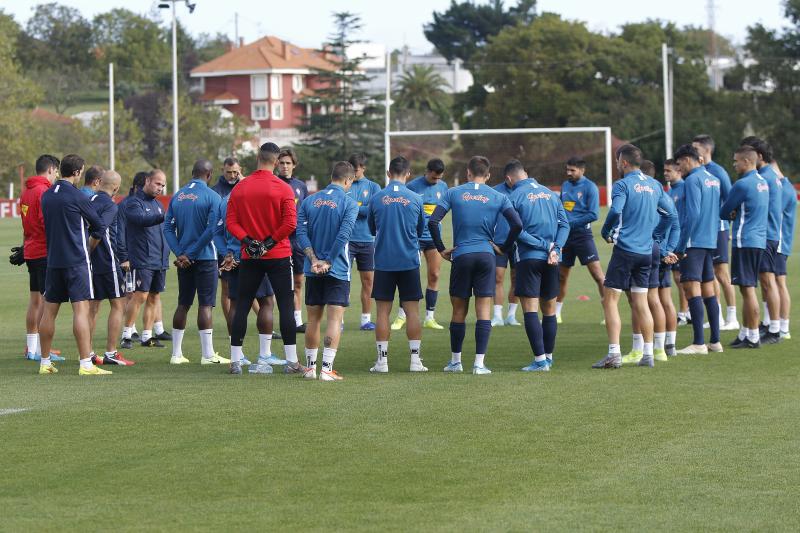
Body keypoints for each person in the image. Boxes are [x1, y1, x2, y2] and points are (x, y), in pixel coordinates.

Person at [428, 155, 523, 375]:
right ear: (488, 176)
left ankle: (455, 362)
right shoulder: (497, 196)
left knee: (459, 310)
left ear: (467, 173)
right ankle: (479, 364)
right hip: (486, 256)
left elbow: (432, 221)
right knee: (483, 310)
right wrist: (504, 248)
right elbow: (517, 224)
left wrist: (441, 249)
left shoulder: (453, 192)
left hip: (461, 255)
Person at [593, 144, 677, 369]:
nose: (617, 164)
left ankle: (614, 354)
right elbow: (670, 214)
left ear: (624, 163)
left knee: (609, 300)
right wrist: (656, 237)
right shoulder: (655, 185)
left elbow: (616, 210)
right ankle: (648, 354)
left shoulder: (622, 185)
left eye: (618, 160)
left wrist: (606, 231)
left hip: (626, 250)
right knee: (642, 302)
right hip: (646, 252)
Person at [226, 142, 300, 375]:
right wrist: (268, 243)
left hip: (250, 255)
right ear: (276, 161)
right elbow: (290, 223)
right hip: (278, 254)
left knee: (243, 304)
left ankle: (235, 361)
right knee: (286, 305)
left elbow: (231, 223)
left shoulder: (240, 187)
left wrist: (249, 242)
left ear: (258, 157)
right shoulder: (283, 188)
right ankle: (291, 361)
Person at [37, 154, 111, 375]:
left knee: (49, 312)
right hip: (76, 261)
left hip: (53, 262)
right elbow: (99, 225)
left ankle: (44, 362)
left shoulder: (47, 196)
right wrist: (90, 246)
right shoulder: (78, 197)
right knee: (81, 310)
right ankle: (85, 364)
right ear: (78, 172)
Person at [295, 161, 358, 381]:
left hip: (312, 268)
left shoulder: (309, 201)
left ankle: (311, 369)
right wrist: (328, 261)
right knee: (334, 320)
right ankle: (326, 369)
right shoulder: (349, 203)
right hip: (337, 269)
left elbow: (300, 234)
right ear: (348, 180)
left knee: (313, 320)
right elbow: (344, 235)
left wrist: (314, 259)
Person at [216, 177, 284, 372]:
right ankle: (265, 355)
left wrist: (228, 253)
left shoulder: (225, 200)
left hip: (234, 259)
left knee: (237, 304)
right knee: (267, 302)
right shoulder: (254, 197)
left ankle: (237, 357)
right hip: (255, 256)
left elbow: (217, 231)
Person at [507, 162, 569, 372]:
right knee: (549, 310)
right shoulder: (551, 194)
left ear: (509, 179)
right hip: (552, 259)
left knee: (530, 310)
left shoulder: (513, 197)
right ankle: (549, 358)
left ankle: (540, 360)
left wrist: (543, 245)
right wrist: (556, 248)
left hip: (528, 258)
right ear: (527, 173)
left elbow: (516, 230)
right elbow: (565, 224)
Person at [367, 156, 427, 373]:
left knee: (383, 313)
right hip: (409, 261)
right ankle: (415, 362)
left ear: (388, 172)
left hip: (383, 262)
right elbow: (421, 230)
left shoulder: (376, 198)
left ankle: (382, 363)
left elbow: (372, 228)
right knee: (412, 312)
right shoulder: (415, 198)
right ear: (408, 174)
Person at [164, 159, 226, 365]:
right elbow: (212, 230)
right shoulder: (212, 196)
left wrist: (180, 253)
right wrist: (191, 253)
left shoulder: (177, 196)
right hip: (205, 257)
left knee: (183, 303)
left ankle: (176, 354)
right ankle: (207, 355)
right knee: (206, 305)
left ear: (192, 173)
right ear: (209, 175)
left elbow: (167, 229)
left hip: (183, 261)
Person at [621, 160, 681, 364]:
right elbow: (675, 222)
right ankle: (662, 349)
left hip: (640, 249)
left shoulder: (639, 193)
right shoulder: (660, 193)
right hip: (657, 252)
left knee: (637, 301)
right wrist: (667, 249)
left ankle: (639, 349)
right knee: (657, 300)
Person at [673, 144, 723, 355]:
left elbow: (692, 214)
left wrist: (681, 245)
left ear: (686, 159)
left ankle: (699, 343)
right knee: (708, 289)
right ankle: (715, 341)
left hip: (694, 241)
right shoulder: (714, 178)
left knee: (691, 288)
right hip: (710, 239)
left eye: (678, 164)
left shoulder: (692, 180)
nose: (678, 169)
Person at [720, 146, 769, 349]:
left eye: (736, 161)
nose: (734, 164)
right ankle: (746, 332)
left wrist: (733, 213)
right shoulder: (763, 182)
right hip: (758, 240)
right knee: (747, 288)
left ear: (747, 162)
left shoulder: (742, 185)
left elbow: (724, 211)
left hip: (744, 240)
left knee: (747, 290)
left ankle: (753, 336)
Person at [394, 158, 449, 331]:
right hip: (414, 238)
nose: (437, 181)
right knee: (409, 276)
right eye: (434, 178)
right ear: (427, 171)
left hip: (433, 238)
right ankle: (401, 316)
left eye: (439, 178)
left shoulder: (444, 187)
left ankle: (429, 317)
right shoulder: (412, 187)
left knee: (434, 274)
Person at [87, 170, 135, 366]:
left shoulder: (88, 201)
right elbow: (100, 232)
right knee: (119, 304)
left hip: (89, 265)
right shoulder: (110, 206)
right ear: (115, 188)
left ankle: (88, 352)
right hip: (106, 262)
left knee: (92, 308)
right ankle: (111, 353)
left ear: (99, 183)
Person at [19, 154, 64, 362]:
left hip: (30, 250)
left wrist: (24, 246)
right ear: (51, 170)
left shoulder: (26, 191)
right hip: (44, 251)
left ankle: (32, 348)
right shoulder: (43, 192)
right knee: (47, 302)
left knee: (35, 300)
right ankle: (39, 351)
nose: (56, 176)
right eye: (56, 172)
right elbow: (46, 224)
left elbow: (27, 223)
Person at [740, 137, 783, 344]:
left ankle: (774, 329)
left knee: (767, 281)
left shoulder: (763, 177)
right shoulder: (771, 175)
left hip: (765, 234)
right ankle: (769, 324)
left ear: (758, 156)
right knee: (767, 281)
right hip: (769, 233)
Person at [693, 135, 737, 331]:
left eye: (696, 148)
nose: (693, 152)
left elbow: (730, 200)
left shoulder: (719, 172)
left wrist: (725, 225)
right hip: (704, 231)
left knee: (722, 273)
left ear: (706, 150)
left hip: (718, 229)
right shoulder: (697, 172)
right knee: (709, 274)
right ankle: (716, 317)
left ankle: (733, 316)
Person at [121, 169, 169, 349]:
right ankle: (126, 334)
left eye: (163, 186)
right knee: (140, 295)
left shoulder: (158, 205)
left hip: (159, 259)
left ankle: (146, 336)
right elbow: (140, 219)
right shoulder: (134, 203)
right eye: (157, 183)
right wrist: (164, 216)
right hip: (143, 258)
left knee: (154, 297)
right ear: (147, 181)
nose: (160, 188)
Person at [556, 156, 604, 324]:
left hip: (583, 236)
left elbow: (594, 214)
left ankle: (608, 313)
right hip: (565, 237)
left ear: (582, 170)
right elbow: (563, 207)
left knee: (598, 275)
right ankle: (556, 314)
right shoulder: (566, 185)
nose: (568, 173)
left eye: (572, 170)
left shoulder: (590, 187)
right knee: (561, 276)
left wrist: (570, 223)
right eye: (567, 169)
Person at [346, 153, 381, 330]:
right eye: (351, 169)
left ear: (363, 168)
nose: (354, 172)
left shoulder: (374, 187)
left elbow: (373, 210)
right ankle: (340, 321)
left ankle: (365, 320)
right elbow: (342, 206)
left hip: (368, 240)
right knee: (344, 280)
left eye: (356, 169)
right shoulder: (345, 184)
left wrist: (354, 207)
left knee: (368, 282)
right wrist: (360, 208)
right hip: (348, 240)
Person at [276, 147, 309, 332]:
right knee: (278, 285)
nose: (285, 166)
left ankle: (296, 321)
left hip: (297, 242)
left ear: (294, 165)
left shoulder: (301, 186)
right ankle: (282, 321)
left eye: (288, 163)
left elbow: (305, 214)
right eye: (281, 163)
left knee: (298, 282)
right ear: (276, 164)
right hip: (278, 241)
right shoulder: (272, 184)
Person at [210, 158, 242, 333]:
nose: (232, 175)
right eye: (229, 172)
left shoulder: (245, 187)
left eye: (235, 172)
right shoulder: (216, 191)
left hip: (244, 248)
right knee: (227, 288)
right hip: (224, 248)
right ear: (222, 170)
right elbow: (216, 227)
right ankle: (231, 328)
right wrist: (225, 252)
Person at [490, 163, 521, 327]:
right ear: (508, 178)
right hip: (499, 242)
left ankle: (511, 315)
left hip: (519, 242)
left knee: (517, 278)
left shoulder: (524, 191)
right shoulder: (495, 191)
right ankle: (497, 316)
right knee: (498, 277)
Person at [663, 159, 691, 326]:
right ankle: (684, 312)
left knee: (681, 278)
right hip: (671, 240)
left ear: (678, 171)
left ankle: (684, 312)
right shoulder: (668, 191)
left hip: (682, 240)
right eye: (664, 170)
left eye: (669, 171)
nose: (665, 173)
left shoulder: (686, 188)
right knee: (677, 277)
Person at [774, 162, 795, 339]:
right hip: (778, 242)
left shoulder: (784, 188)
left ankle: (784, 327)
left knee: (779, 283)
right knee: (773, 283)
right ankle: (774, 323)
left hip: (779, 243)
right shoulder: (784, 187)